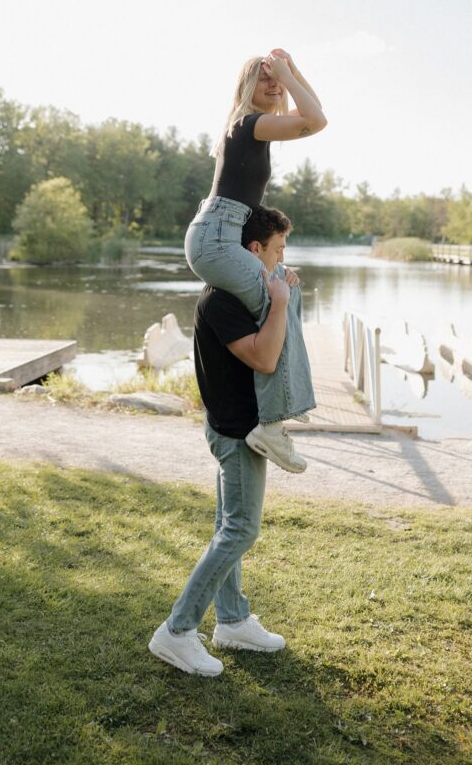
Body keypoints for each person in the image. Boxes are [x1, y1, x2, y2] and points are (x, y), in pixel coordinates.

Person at [149, 207, 301, 677]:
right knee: (240, 530)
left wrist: (282, 292)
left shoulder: (241, 290)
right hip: (237, 433)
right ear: (252, 250)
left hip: (236, 426)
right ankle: (176, 631)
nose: (280, 259)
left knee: (228, 527)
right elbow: (266, 358)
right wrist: (278, 303)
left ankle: (233, 621)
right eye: (276, 250)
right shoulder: (222, 300)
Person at [184, 48, 327, 472]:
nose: (275, 85)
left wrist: (294, 71)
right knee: (276, 298)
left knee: (290, 293)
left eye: (277, 81)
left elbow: (314, 113)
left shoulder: (255, 128)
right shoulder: (249, 125)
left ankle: (274, 419)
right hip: (216, 240)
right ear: (247, 86)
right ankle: (271, 423)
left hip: (223, 235)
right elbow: (316, 121)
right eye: (265, 78)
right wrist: (286, 72)